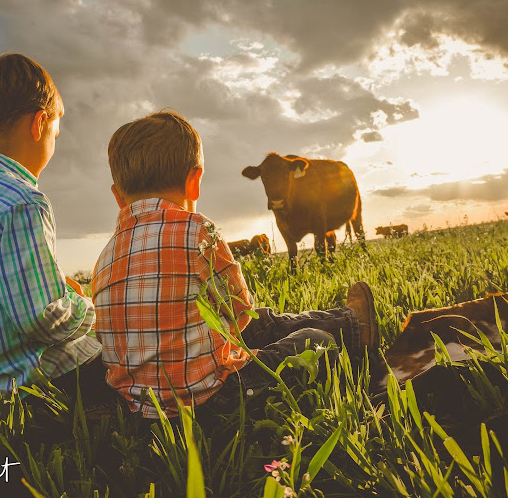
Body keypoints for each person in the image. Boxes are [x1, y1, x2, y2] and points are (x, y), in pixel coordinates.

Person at [91, 110, 381, 418]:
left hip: (142, 413)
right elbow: (240, 313)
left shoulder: (104, 258)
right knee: (311, 341)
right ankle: (349, 327)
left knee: (261, 320)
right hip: (214, 402)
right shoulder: (199, 231)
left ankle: (350, 322)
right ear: (195, 182)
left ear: (118, 196)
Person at [0, 53, 108, 411]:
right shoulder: (23, 202)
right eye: (55, 131)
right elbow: (41, 319)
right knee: (126, 367)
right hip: (22, 390)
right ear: (39, 123)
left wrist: (58, 288)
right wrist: (88, 308)